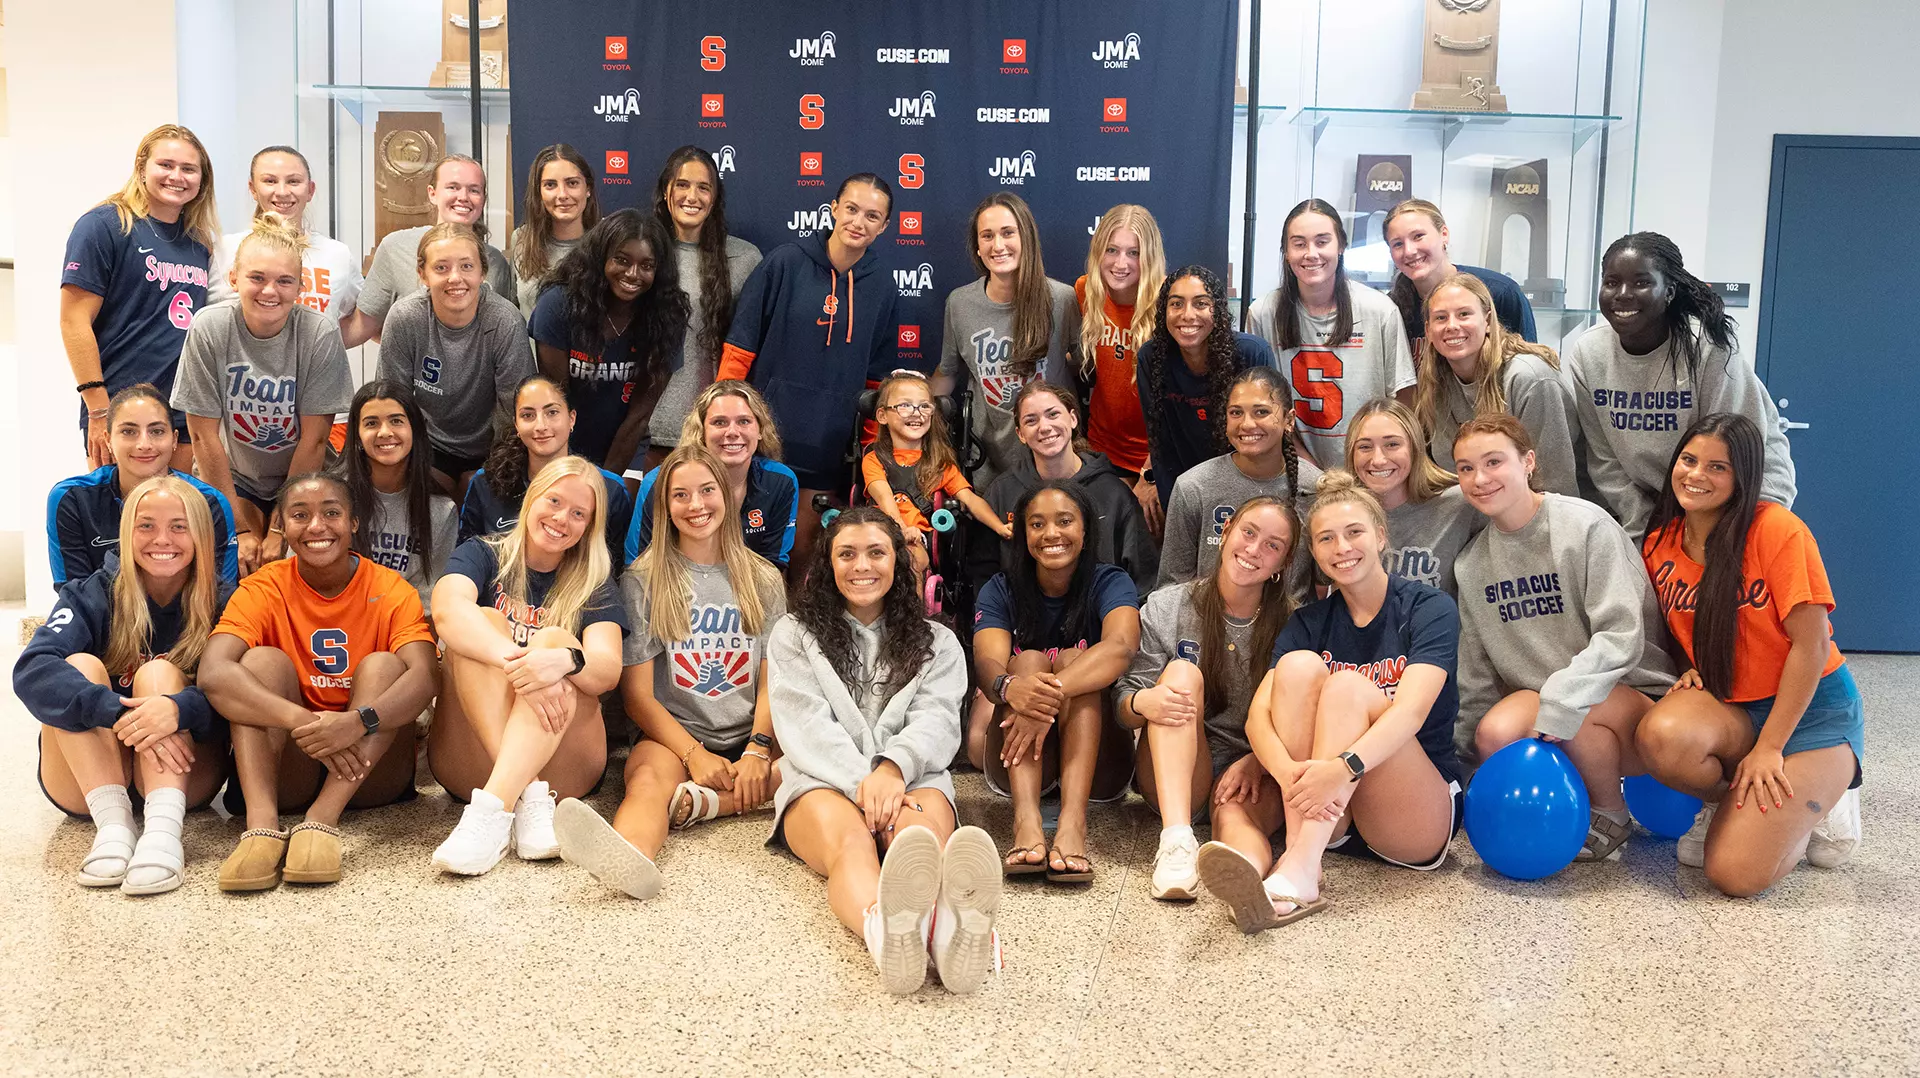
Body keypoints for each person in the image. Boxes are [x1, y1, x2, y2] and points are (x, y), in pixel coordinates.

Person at [1196, 471, 1463, 932]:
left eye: (1354, 532)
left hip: (1410, 813)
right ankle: (1305, 860)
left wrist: (1341, 769)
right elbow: (1259, 718)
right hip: (1329, 816)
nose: (1342, 548)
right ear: (1315, 554)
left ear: (1381, 536)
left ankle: (1300, 864)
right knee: (1300, 666)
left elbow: (1411, 712)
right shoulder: (1308, 623)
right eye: (1326, 539)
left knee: (1347, 687)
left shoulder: (1428, 608)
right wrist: (1289, 775)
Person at [766, 506, 1001, 996]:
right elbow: (805, 725)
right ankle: (886, 934)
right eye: (846, 554)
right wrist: (864, 783)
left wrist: (893, 769)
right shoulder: (793, 634)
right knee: (851, 844)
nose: (862, 566)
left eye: (876, 552)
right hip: (821, 779)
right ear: (828, 564)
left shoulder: (939, 641)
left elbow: (938, 720)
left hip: (913, 777)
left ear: (898, 560)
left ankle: (947, 933)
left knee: (918, 838)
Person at [1636, 414, 1863, 893]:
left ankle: (1827, 797)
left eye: (1717, 467)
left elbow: (1811, 645)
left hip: (1811, 714)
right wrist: (1688, 667)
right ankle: (1732, 805)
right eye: (1689, 460)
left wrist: (1771, 748)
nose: (1696, 475)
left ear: (1743, 477)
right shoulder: (1659, 545)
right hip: (1735, 709)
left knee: (1733, 875)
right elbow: (1674, 627)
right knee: (1662, 737)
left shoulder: (1778, 530)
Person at [553, 444, 787, 899]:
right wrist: (693, 754)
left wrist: (758, 749)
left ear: (727, 494)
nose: (696, 505)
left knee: (811, 767)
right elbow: (638, 697)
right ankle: (628, 856)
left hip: (753, 734)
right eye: (681, 495)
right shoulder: (643, 580)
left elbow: (771, 678)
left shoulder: (764, 578)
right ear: (664, 506)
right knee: (645, 782)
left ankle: (711, 803)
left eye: (707, 490)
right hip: (674, 736)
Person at [197, 472, 440, 891]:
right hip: (291, 764)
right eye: (300, 515)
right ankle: (261, 827)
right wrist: (305, 721)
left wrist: (357, 722)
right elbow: (213, 672)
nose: (316, 526)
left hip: (369, 771)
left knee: (384, 665)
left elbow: (425, 676)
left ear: (353, 522)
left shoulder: (390, 588)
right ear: (282, 525)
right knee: (260, 662)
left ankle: (322, 821)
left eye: (331, 513)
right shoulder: (262, 587)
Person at [1451, 414, 1675, 863]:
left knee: (1574, 708)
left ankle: (1610, 813)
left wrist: (1563, 698)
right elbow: (1475, 675)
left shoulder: (1585, 525)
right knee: (1493, 733)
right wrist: (1463, 764)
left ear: (1528, 461)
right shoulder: (1471, 564)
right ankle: (1564, 811)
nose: (1480, 479)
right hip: (1543, 698)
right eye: (1466, 468)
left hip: (1626, 694)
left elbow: (1621, 636)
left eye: (1494, 462)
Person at [16, 475, 234, 894]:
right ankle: (114, 827)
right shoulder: (91, 593)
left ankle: (163, 834)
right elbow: (32, 668)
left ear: (201, 536)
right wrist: (116, 711)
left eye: (179, 526)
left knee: (159, 675)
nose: (162, 539)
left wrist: (179, 709)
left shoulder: (225, 601)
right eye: (146, 525)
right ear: (125, 533)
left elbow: (244, 692)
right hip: (89, 783)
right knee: (78, 665)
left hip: (184, 780)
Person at [428, 456, 627, 876]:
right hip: (471, 761)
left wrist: (561, 661)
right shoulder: (482, 553)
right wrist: (523, 666)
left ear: (589, 527)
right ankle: (524, 797)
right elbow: (446, 611)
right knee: (483, 622)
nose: (562, 519)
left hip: (565, 771)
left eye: (579, 514)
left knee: (557, 642)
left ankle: (490, 811)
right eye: (554, 501)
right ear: (532, 497)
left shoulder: (594, 580)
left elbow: (607, 669)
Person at [717, 173, 901, 574]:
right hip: (763, 439)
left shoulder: (883, 287)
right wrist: (720, 417)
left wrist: (870, 444)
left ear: (885, 226)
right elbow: (741, 346)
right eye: (851, 209)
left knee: (804, 557)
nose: (858, 222)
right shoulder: (785, 262)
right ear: (833, 209)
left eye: (872, 216)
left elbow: (878, 380)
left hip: (828, 445)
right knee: (746, 549)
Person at [1120, 496, 1299, 901]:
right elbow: (1123, 702)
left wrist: (1259, 760)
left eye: (1272, 545)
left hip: (1254, 774)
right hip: (1176, 770)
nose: (1254, 549)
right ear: (1226, 531)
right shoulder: (1168, 606)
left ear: (1283, 564)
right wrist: (1141, 703)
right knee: (1182, 674)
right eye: (1248, 532)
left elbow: (1301, 717)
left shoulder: (1295, 622)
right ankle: (1176, 843)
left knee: (1236, 820)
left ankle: (1250, 892)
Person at [1570, 232, 1796, 537]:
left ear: (1669, 292)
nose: (1623, 294)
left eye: (1641, 282)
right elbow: (1604, 461)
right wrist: (1645, 530)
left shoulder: (1709, 348)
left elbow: (1735, 451)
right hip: (1660, 505)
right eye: (1611, 282)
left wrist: (1701, 536)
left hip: (1744, 496)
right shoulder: (1589, 353)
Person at [974, 482, 1140, 882]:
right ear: (1023, 533)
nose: (1051, 533)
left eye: (1065, 521)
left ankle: (1072, 824)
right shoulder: (1001, 588)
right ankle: (1025, 821)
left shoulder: (1110, 581)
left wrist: (1043, 696)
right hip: (1015, 758)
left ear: (1085, 530)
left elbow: (1121, 647)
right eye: (1037, 524)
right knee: (1028, 662)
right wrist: (1014, 688)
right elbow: (986, 663)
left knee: (1075, 661)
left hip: (1101, 766)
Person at [172, 215, 353, 575]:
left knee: (295, 560)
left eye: (284, 281)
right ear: (233, 278)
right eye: (257, 278)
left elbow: (315, 440)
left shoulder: (319, 333)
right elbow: (203, 436)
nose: (270, 291)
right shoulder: (210, 327)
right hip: (235, 475)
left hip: (304, 473)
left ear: (300, 286)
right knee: (242, 563)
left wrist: (280, 527)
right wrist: (239, 529)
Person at [62, 123, 217, 468]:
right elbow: (73, 321)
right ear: (142, 167)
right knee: (123, 503)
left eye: (189, 169)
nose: (176, 176)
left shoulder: (200, 242)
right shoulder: (104, 226)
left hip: (182, 409)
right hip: (119, 406)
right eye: (166, 165)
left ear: (202, 180)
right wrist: (98, 409)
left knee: (177, 503)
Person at [1246, 198, 1416, 469]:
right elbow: (1263, 407)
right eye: (1299, 243)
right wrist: (1310, 472)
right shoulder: (1263, 313)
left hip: (1370, 470)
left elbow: (1404, 401)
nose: (1311, 253)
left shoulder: (1379, 310)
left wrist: (1378, 462)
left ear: (1341, 246)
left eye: (1322, 241)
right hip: (1295, 469)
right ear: (1286, 252)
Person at [931, 193, 1079, 490]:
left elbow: (1085, 368)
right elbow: (947, 373)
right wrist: (916, 409)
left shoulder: (1062, 299)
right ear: (977, 246)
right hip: (988, 464)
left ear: (1027, 238)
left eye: (1008, 233)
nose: (997, 245)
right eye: (987, 236)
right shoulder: (960, 304)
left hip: (1053, 459)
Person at [377, 222, 534, 498]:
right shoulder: (405, 318)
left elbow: (515, 412)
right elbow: (391, 403)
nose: (455, 278)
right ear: (423, 274)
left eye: (466, 266)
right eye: (441, 268)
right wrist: (413, 464)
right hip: (428, 445)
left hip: (491, 447)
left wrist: (491, 471)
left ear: (482, 272)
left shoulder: (505, 321)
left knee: (474, 490)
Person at [530, 209, 688, 469]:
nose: (633, 274)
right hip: (561, 443)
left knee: (616, 493)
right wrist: (570, 472)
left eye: (647, 266)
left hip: (626, 444)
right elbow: (555, 404)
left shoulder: (667, 318)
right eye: (622, 260)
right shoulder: (558, 305)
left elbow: (639, 415)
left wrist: (607, 482)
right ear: (601, 256)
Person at [970, 380, 1157, 596]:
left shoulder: (1114, 493)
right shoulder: (1002, 492)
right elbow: (983, 575)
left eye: (1053, 414)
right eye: (1031, 420)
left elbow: (1144, 581)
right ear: (1020, 434)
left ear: (1073, 418)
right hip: (1022, 613)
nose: (1044, 427)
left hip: (1104, 612)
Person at [48, 383, 238, 585]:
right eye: (129, 431)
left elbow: (219, 593)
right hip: (100, 607)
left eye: (157, 431)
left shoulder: (209, 503)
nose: (144, 444)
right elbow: (73, 593)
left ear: (174, 439)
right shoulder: (72, 500)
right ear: (108, 440)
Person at [646, 145, 762, 469]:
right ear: (666, 191)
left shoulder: (744, 259)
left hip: (713, 433)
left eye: (703, 187)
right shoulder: (641, 249)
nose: (692, 196)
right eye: (682, 185)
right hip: (643, 431)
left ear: (714, 198)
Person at [1158, 366, 1319, 594]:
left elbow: (1328, 577)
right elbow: (1171, 586)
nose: (1247, 424)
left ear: (1289, 420)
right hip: (1210, 614)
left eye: (1261, 412)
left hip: (1292, 616)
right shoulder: (1193, 487)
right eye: (1236, 413)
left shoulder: (1316, 488)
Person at [1415, 272, 1578, 495]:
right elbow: (1452, 473)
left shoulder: (1529, 378)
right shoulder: (1436, 381)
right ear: (1428, 331)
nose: (1452, 326)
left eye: (1464, 314)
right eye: (1441, 318)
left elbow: (1556, 487)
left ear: (1488, 321)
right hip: (1486, 504)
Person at [1136, 265, 1278, 509]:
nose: (1187, 315)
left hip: (1247, 488)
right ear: (1164, 311)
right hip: (1184, 490)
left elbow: (1267, 436)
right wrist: (1174, 504)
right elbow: (1160, 443)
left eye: (1201, 304)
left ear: (1218, 310)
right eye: (1176, 304)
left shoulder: (1251, 353)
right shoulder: (1152, 358)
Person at [624, 380, 799, 569]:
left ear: (760, 430)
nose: (732, 432)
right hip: (672, 582)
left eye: (744, 421)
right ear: (701, 432)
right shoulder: (660, 481)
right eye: (719, 422)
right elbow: (637, 565)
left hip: (749, 584)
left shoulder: (781, 481)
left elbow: (773, 566)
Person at [459, 375, 634, 562]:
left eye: (552, 412)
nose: (541, 426)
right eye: (528, 415)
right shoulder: (486, 482)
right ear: (517, 425)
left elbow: (614, 567)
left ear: (571, 419)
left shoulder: (609, 490)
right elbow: (466, 556)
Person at [343, 154, 516, 343]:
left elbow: (501, 332)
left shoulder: (496, 263)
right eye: (453, 187)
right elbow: (363, 327)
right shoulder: (396, 248)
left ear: (483, 199)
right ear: (432, 194)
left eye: (474, 190)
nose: (463, 197)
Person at [208, 145, 364, 342]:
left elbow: (365, 317)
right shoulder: (224, 249)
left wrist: (326, 347)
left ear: (310, 190)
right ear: (253, 189)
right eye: (270, 181)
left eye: (293, 181)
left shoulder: (337, 254)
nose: (282, 192)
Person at [863, 372, 1010, 578]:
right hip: (878, 530)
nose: (916, 413)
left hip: (916, 538)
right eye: (905, 405)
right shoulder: (874, 458)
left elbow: (970, 500)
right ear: (882, 415)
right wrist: (900, 529)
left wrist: (1000, 527)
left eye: (924, 406)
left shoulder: (940, 464)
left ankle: (914, 600)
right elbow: (884, 497)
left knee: (910, 558)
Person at [1076, 204, 1167, 537]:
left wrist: (1150, 474)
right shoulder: (1086, 291)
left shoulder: (1169, 303)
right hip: (1101, 451)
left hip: (1154, 457)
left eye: (1134, 253)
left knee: (1148, 548)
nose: (1121, 263)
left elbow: (1178, 400)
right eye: (1112, 250)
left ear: (1149, 257)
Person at [1345, 398, 1483, 597]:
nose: (1378, 460)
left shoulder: (1461, 503)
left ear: (1414, 448)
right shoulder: (1341, 517)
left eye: (1392, 444)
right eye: (1365, 447)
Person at [340, 380, 456, 610]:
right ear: (357, 436)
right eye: (371, 423)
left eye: (396, 421)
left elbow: (430, 599)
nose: (385, 432)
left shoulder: (441, 509)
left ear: (415, 430)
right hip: (337, 616)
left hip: (404, 621)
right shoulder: (331, 498)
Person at [1383, 199, 1537, 353]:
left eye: (1418, 236)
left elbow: (1529, 363)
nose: (1409, 251)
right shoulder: (1390, 309)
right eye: (1398, 244)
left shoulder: (1500, 293)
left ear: (1444, 234)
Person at [506, 144, 600, 318]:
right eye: (550, 185)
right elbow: (512, 308)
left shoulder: (607, 241)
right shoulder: (521, 238)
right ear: (539, 192)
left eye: (572, 183)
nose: (562, 194)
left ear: (588, 189)